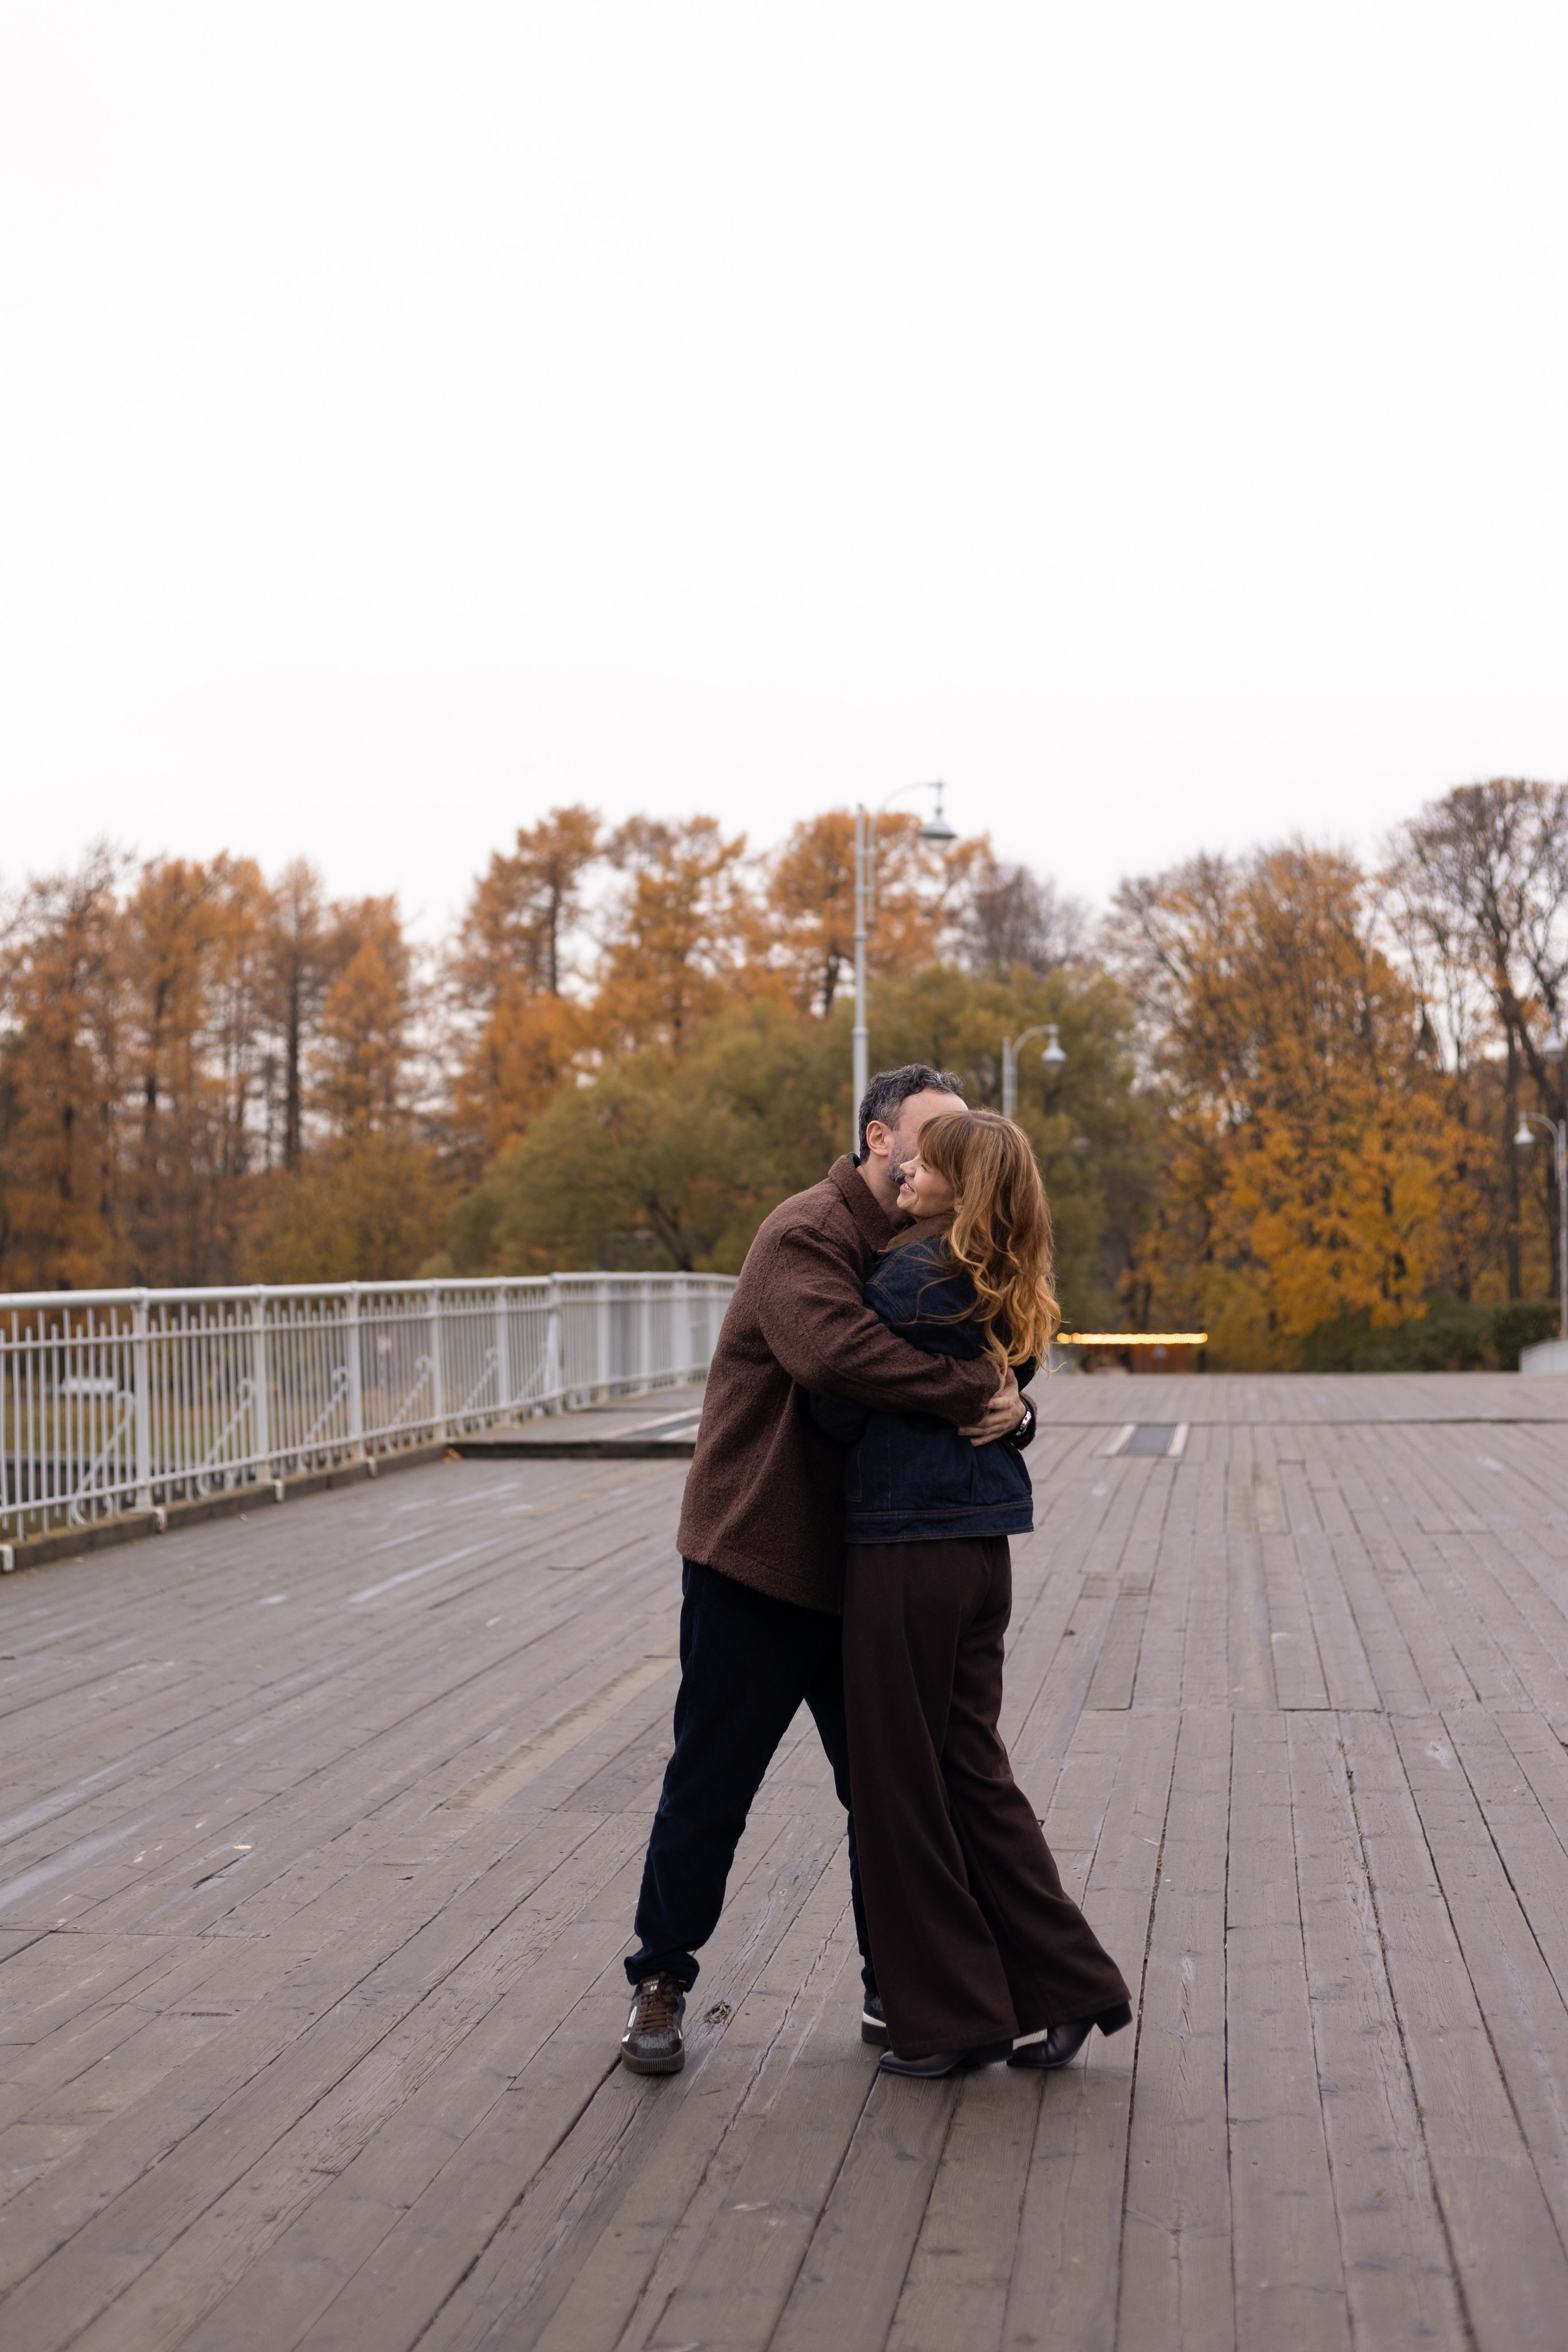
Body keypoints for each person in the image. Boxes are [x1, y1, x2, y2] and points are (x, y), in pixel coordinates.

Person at [619, 1067, 1036, 2075]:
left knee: (887, 1791)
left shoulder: (933, 1244)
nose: (948, 1162)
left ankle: (892, 1983)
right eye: (934, 1142)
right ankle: (660, 1978)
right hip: (757, 1559)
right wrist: (971, 1391)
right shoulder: (805, 1233)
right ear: (877, 1138)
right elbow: (838, 1357)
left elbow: (1004, 1339)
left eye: (961, 1147)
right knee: (712, 1783)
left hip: (872, 1566)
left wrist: (1014, 1404)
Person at [811, 1107, 1132, 2077]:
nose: (907, 1168)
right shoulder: (1006, 1281)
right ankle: (1072, 1987)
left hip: (905, 1552)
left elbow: (829, 1399)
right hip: (979, 1554)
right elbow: (1006, 1383)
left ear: (964, 1184)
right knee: (972, 1775)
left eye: (928, 1162)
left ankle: (953, 2021)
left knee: (898, 1784)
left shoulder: (907, 1279)